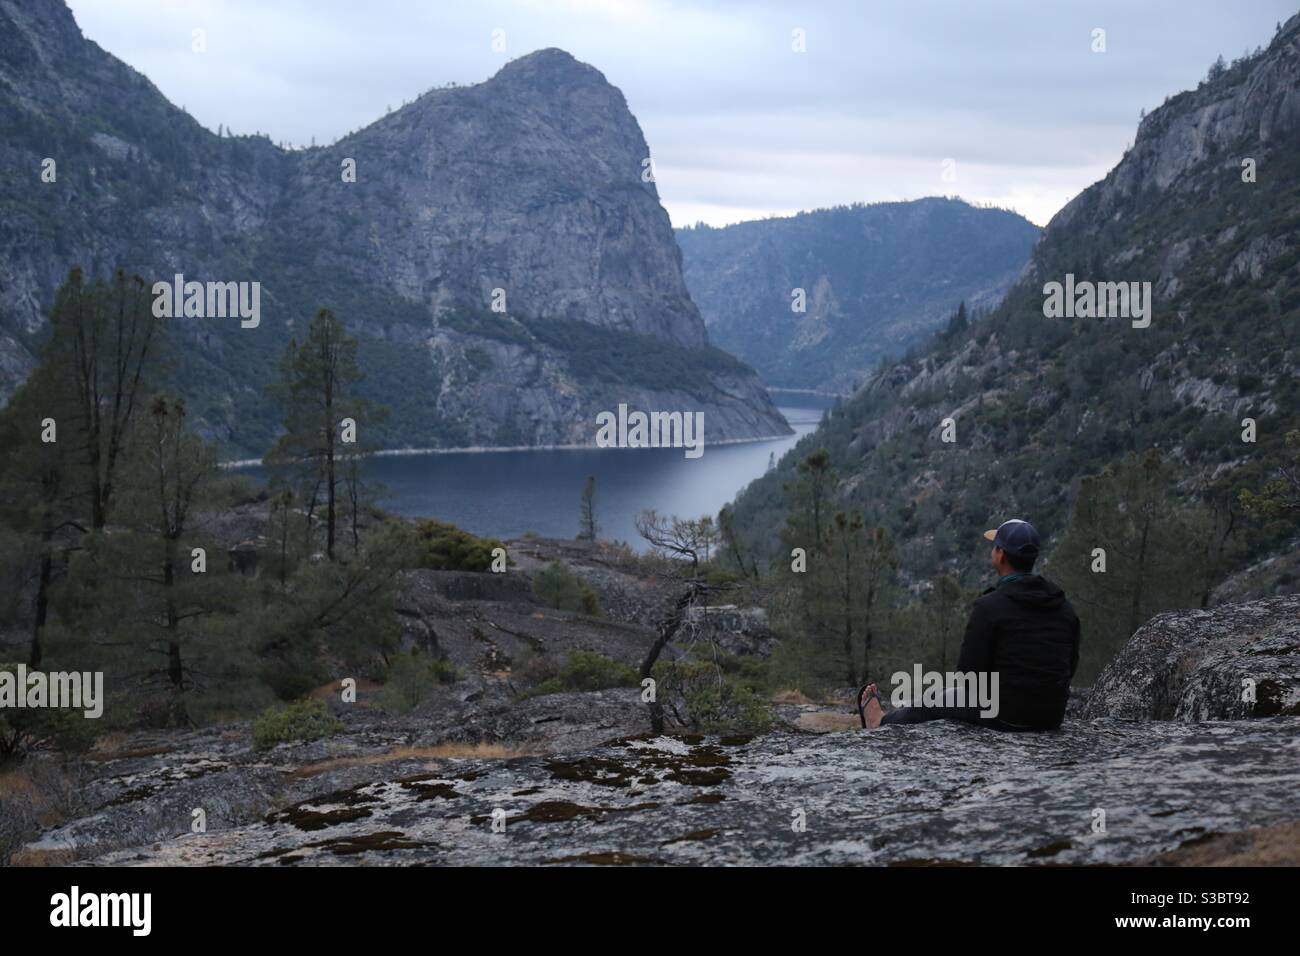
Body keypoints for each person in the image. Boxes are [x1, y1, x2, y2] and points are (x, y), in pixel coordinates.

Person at [858, 518, 1080, 732]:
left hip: (1005, 717)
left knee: (936, 699)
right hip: (1051, 717)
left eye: (995, 546)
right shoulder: (1064, 608)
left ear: (1000, 555)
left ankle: (881, 722)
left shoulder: (990, 607)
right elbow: (1069, 666)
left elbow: (968, 676)